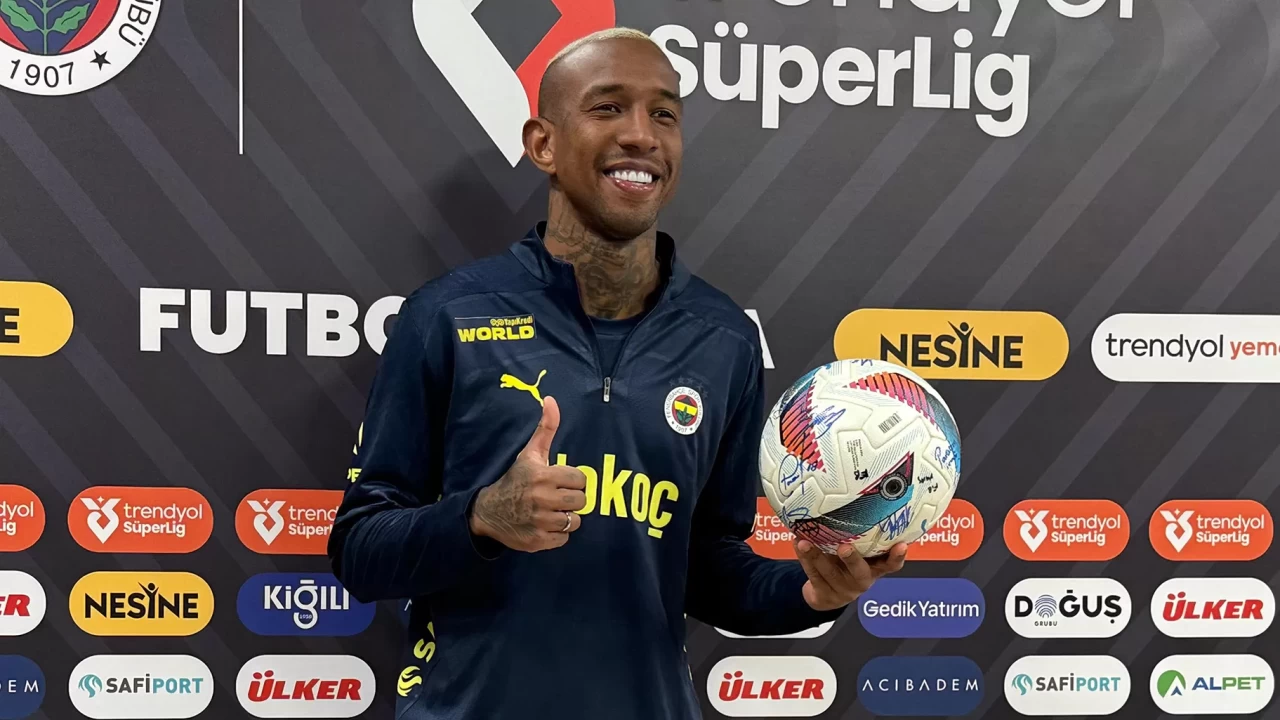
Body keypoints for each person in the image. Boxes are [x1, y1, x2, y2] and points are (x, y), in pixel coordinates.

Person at [328, 27, 908, 720]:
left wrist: (810, 595)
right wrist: (482, 518)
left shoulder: (724, 339)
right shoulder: (448, 316)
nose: (641, 135)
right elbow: (359, 551)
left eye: (664, 114)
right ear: (542, 144)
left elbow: (708, 566)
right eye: (608, 108)